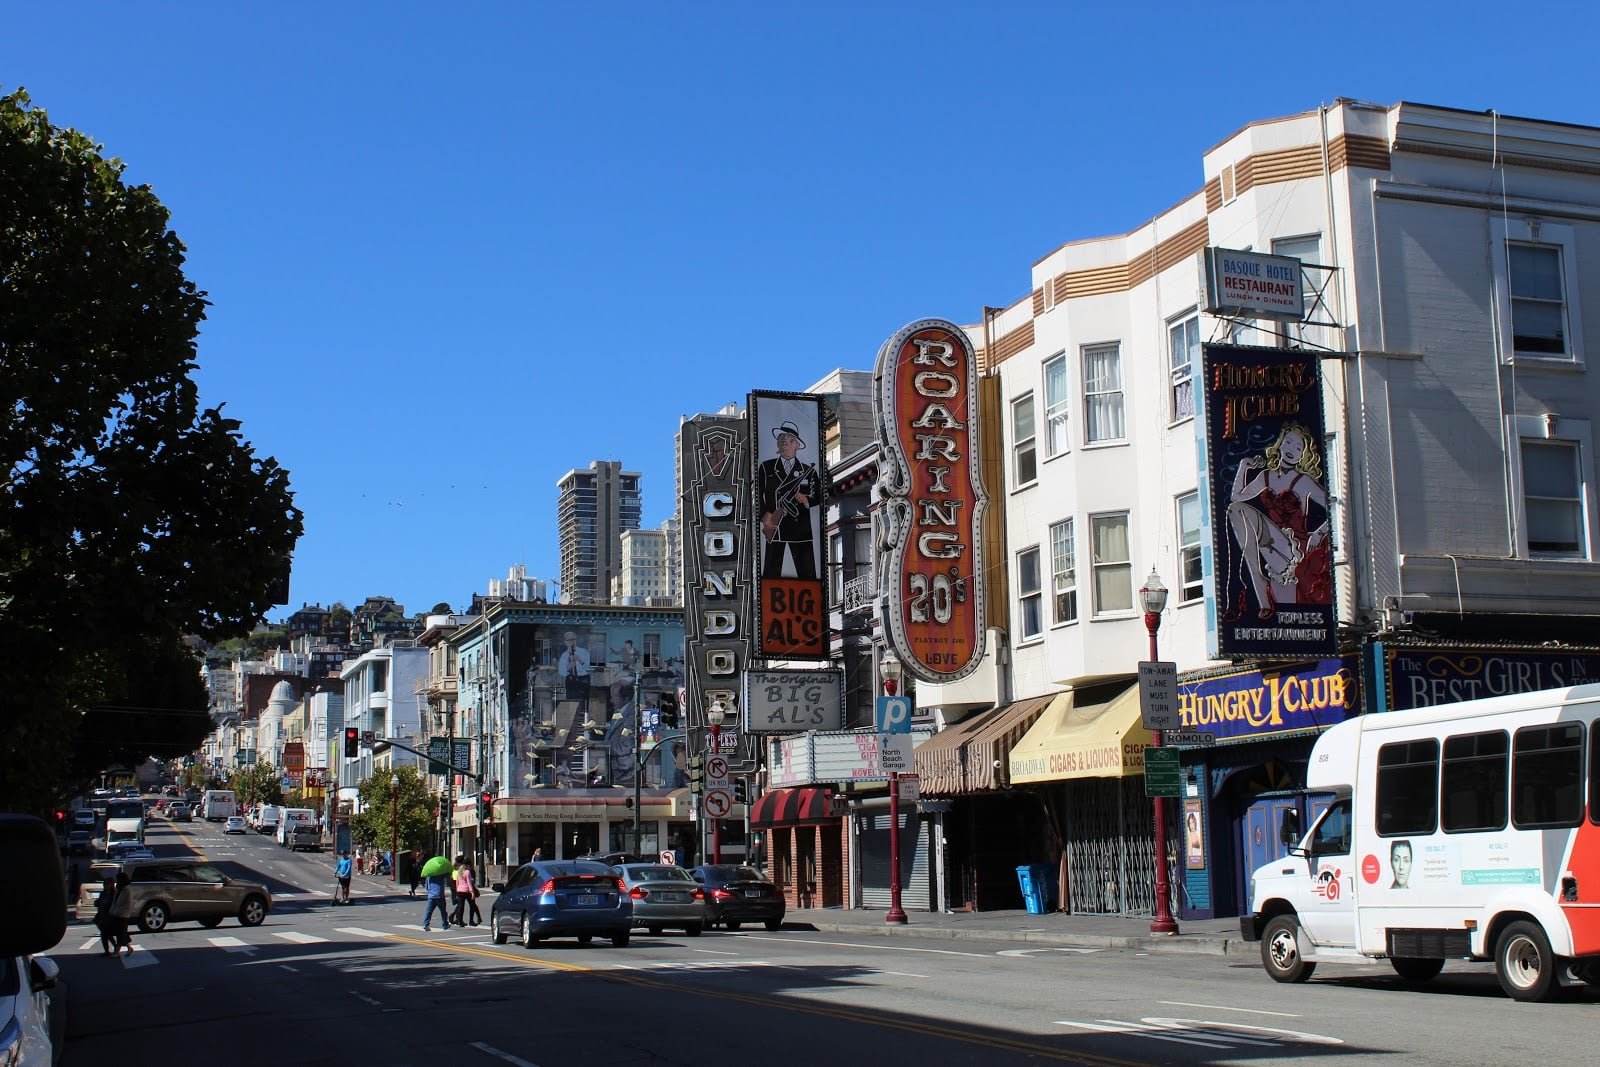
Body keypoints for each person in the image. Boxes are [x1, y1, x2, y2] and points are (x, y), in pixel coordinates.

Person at [1224, 422, 1332, 621]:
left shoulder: (1304, 481)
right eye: (1288, 442)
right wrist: (1243, 466)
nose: (1292, 449)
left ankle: (1260, 590)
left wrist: (1318, 534)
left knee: (1287, 608)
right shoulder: (1266, 476)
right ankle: (1256, 588)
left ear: (1303, 455)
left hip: (1294, 548)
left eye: (1298, 448)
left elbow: (1333, 506)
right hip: (1271, 542)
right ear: (1280, 444)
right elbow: (1236, 497)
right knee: (1236, 509)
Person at [758, 420, 822, 579]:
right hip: (775, 528)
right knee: (770, 578)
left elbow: (818, 496)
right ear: (777, 444)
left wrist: (805, 499)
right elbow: (757, 495)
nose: (786, 444)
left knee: (808, 577)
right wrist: (765, 516)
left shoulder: (808, 470)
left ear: (798, 445)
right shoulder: (766, 468)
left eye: (791, 441)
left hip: (800, 530)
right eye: (782, 440)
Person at [558, 631, 592, 703]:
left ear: (576, 640)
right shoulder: (564, 656)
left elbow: (590, 668)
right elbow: (561, 672)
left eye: (573, 639)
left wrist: (580, 660)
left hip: (583, 681)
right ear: (565, 642)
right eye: (569, 640)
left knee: (584, 702)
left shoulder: (584, 652)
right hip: (570, 682)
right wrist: (568, 667)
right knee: (571, 703)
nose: (571, 642)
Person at [451, 855, 482, 926]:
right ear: (468, 865)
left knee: (461, 906)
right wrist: (472, 892)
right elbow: (469, 883)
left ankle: (459, 921)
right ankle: (471, 921)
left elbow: (457, 882)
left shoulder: (459, 871)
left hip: (460, 890)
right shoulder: (467, 872)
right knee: (472, 905)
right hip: (467, 891)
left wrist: (457, 890)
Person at [109, 871, 133, 955]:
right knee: (121, 933)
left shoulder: (127, 889)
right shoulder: (119, 889)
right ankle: (129, 948)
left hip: (123, 914)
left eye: (118, 879)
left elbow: (123, 902)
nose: (117, 881)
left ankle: (117, 952)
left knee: (120, 934)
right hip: (117, 913)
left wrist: (117, 911)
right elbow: (115, 901)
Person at [94, 876, 117, 956]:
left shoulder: (114, 894)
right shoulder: (103, 893)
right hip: (102, 916)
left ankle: (115, 947)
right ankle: (107, 951)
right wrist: (97, 903)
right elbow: (99, 903)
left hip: (110, 916)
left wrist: (105, 903)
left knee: (108, 934)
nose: (105, 886)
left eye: (107, 884)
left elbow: (112, 905)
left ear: (111, 885)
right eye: (104, 884)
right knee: (104, 935)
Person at [422, 866, 451, 931]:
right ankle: (445, 924)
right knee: (443, 911)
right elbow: (448, 875)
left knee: (429, 911)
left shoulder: (428, 876)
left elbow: (427, 887)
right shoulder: (440, 875)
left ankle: (425, 924)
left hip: (431, 896)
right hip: (439, 895)